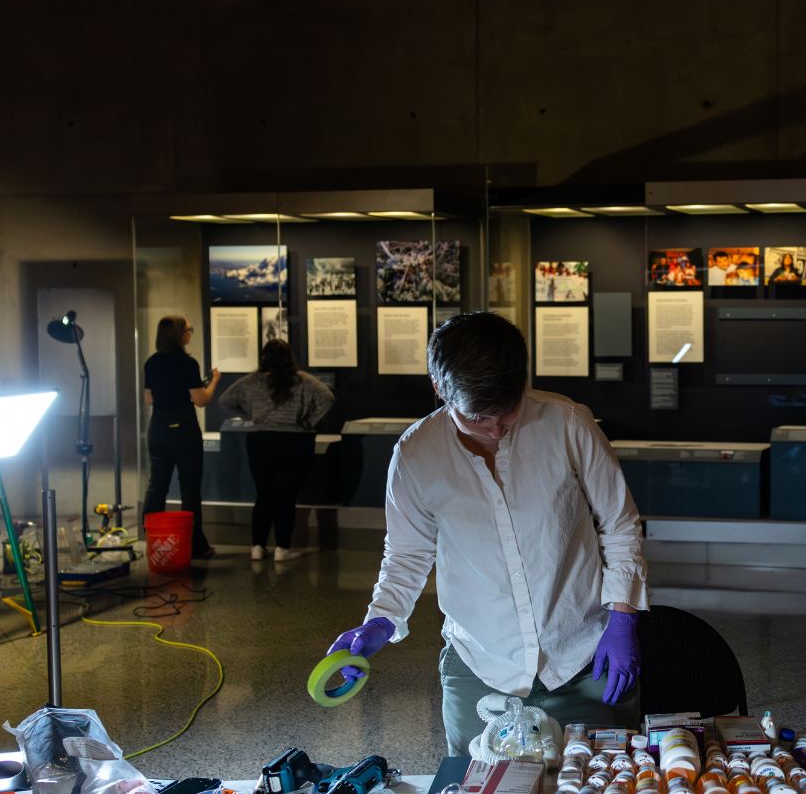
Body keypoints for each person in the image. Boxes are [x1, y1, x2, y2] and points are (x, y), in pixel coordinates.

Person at [327, 312, 647, 753]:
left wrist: (624, 616)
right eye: (477, 418)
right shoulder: (416, 454)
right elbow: (407, 554)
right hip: (480, 666)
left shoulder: (568, 424)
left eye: (507, 413)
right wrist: (380, 619)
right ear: (440, 390)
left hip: (585, 655)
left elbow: (619, 524)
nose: (495, 431)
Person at [217, 339, 335, 565]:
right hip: (295, 441)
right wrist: (309, 421)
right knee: (286, 496)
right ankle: (282, 548)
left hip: (261, 440)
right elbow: (327, 398)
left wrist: (250, 417)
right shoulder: (302, 380)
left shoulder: (252, 381)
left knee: (263, 495)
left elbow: (225, 401)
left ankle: (257, 547)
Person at [142, 315, 219, 558]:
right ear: (179, 334)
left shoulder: (151, 362)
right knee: (189, 488)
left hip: (158, 427)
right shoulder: (188, 364)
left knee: (157, 485)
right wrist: (214, 381)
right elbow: (200, 400)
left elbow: (149, 399)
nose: (190, 333)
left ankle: (153, 539)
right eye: (189, 329)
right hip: (184, 428)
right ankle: (195, 545)